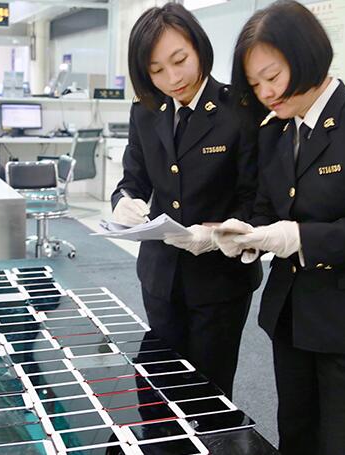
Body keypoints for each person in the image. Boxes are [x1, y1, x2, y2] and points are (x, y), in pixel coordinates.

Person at [222, 1, 345, 454]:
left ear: (307, 55)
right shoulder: (276, 131)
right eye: (255, 84)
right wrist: (246, 236)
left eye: (272, 76)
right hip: (293, 318)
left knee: (344, 445)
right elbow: (267, 208)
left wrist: (298, 238)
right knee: (296, 438)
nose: (266, 93)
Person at [111, 2, 261, 399]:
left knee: (209, 393)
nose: (173, 78)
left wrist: (220, 234)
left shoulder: (239, 110)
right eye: (156, 70)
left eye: (179, 61)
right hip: (160, 275)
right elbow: (133, 180)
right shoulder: (146, 111)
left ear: (199, 47)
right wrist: (123, 200)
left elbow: (256, 197)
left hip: (219, 281)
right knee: (156, 388)